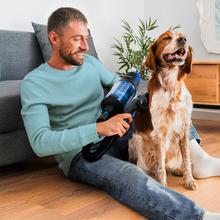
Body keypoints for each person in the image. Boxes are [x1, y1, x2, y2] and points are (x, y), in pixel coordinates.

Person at [20, 7, 220, 220]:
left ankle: (199, 160)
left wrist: (140, 99)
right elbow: (40, 143)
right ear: (54, 38)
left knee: (168, 105)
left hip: (115, 131)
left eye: (86, 38)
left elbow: (119, 83)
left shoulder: (90, 63)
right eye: (78, 39)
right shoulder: (34, 83)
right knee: (130, 176)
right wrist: (98, 129)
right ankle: (199, 217)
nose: (86, 47)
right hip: (83, 153)